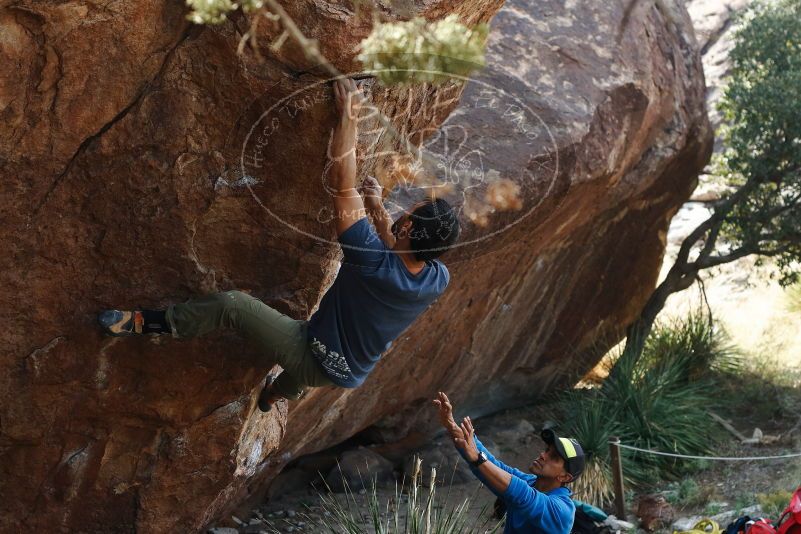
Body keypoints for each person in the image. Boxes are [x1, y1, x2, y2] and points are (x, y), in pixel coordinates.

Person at [98, 78, 460, 412]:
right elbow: (397, 247)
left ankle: (150, 323)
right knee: (302, 370)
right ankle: (274, 395)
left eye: (408, 213)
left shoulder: (371, 259)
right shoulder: (436, 278)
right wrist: (378, 206)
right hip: (349, 369)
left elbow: (343, 185)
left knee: (233, 306)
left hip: (315, 352)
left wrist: (348, 118)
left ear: (408, 225)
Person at [432, 392, 585, 534]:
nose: (543, 455)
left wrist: (478, 459)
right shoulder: (531, 481)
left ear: (565, 477)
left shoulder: (561, 511)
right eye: (547, 450)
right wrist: (452, 426)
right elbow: (495, 467)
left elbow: (524, 496)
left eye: (554, 457)